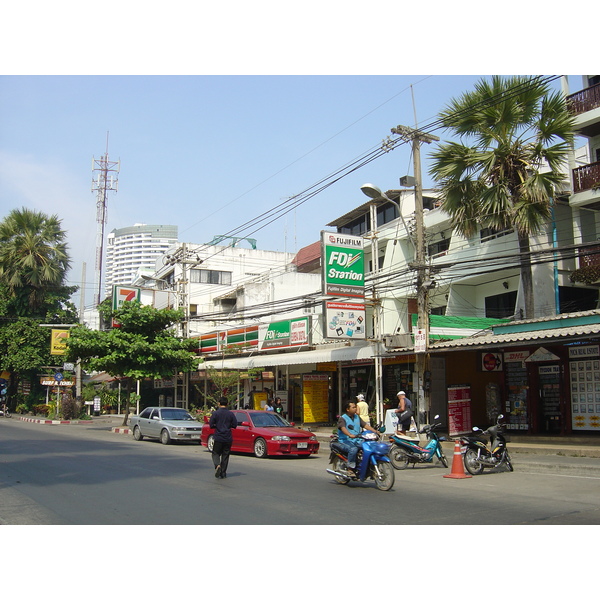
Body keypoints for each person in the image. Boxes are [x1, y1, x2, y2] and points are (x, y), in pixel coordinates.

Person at [337, 401, 379, 474]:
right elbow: (342, 428)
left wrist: (375, 431)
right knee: (353, 449)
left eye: (355, 407)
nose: (355, 408)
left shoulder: (357, 417)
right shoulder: (343, 418)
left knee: (369, 446)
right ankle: (350, 468)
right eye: (353, 407)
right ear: (347, 409)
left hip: (357, 439)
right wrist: (349, 434)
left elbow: (365, 425)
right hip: (346, 440)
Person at [208, 397, 238, 479]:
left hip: (218, 437)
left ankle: (217, 465)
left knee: (215, 453)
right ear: (227, 404)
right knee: (225, 455)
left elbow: (211, 425)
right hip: (228, 437)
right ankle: (223, 473)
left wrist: (216, 426)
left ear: (219, 403)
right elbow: (235, 425)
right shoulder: (230, 414)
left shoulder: (216, 413)